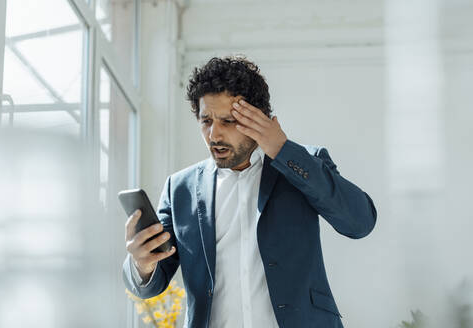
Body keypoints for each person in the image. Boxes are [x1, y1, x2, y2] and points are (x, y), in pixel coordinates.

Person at [122, 56, 377, 328]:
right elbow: (151, 285)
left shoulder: (301, 165)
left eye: (228, 121)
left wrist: (283, 149)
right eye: (205, 120)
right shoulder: (180, 189)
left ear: (259, 119)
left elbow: (360, 222)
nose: (213, 134)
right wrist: (142, 264)